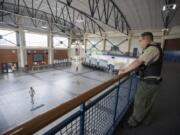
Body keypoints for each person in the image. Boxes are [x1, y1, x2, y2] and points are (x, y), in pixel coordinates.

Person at [118, 32, 163, 127]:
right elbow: (140, 62)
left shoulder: (152, 49)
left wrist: (124, 71)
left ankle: (133, 122)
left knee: (140, 101)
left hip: (149, 82)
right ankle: (146, 120)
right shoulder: (153, 48)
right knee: (147, 102)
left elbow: (139, 61)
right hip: (152, 82)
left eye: (140, 40)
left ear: (146, 40)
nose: (139, 43)